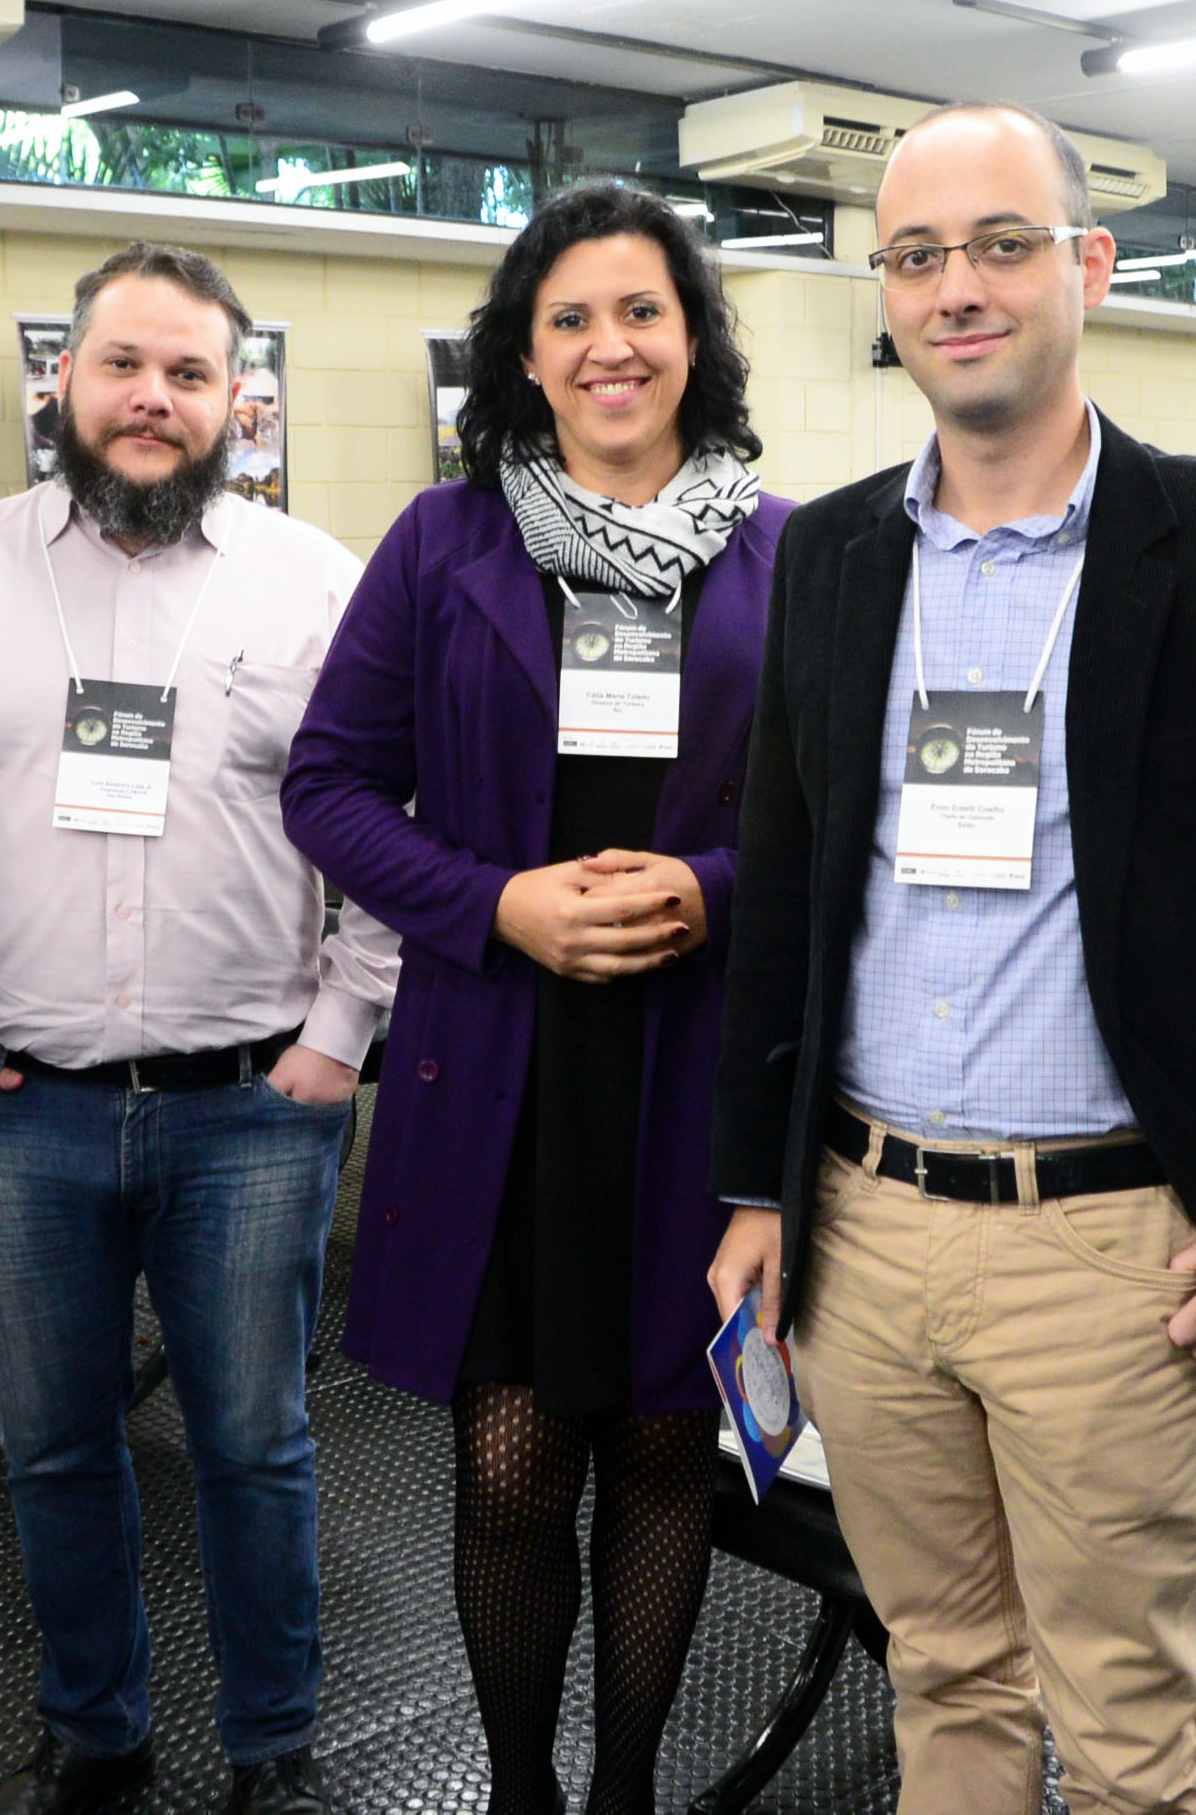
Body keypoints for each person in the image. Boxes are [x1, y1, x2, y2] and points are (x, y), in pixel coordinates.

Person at [706, 102, 1196, 1815]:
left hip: (1116, 1248)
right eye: (916, 255)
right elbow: (785, 891)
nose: (958, 287)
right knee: (943, 1673)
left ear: (1090, 265)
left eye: (1002, 244)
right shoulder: (828, 553)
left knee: (1130, 1734)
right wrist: (757, 1190)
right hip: (864, 1232)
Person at [0, 242, 397, 1815]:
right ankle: (96, 1736)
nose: (152, 398)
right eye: (122, 364)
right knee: (54, 1449)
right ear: (61, 379)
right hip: (15, 1110)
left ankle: (275, 1752)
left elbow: (397, 825)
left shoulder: (317, 583)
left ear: (238, 402)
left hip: (252, 1109)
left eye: (189, 372)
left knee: (255, 1449)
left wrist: (342, 1032)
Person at [281, 181, 788, 1815]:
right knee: (507, 1470)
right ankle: (517, 1791)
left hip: (695, 1067)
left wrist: (709, 887)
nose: (606, 345)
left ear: (693, 338)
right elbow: (328, 786)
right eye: (568, 317)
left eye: (640, 309)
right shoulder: (443, 544)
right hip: (496, 1062)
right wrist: (493, 902)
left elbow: (836, 820)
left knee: (663, 1450)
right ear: (523, 351)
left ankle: (624, 1790)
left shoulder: (789, 554)